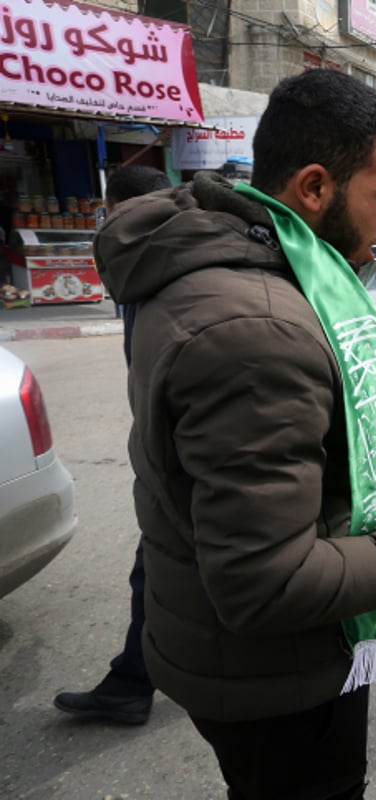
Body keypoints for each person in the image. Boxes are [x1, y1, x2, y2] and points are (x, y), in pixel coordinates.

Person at [93, 69, 376, 798]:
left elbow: (289, 452)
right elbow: (264, 584)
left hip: (237, 654)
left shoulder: (241, 264)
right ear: (313, 188)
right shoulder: (258, 324)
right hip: (275, 679)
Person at [52, 166, 172, 726]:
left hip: (178, 453)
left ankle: (132, 682)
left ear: (121, 209)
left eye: (108, 212)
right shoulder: (151, 261)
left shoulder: (160, 265)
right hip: (168, 446)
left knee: (159, 568)